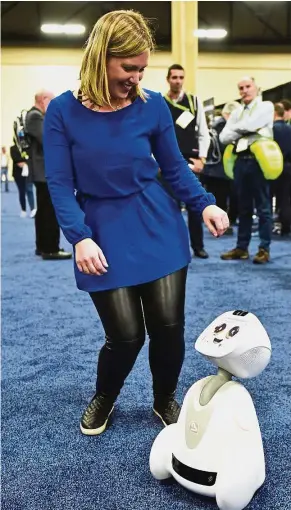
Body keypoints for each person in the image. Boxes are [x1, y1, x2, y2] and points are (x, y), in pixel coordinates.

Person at [43, 10, 229, 436]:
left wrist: (204, 204)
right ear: (101, 58)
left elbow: (175, 168)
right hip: (101, 232)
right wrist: (79, 238)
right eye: (129, 67)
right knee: (126, 337)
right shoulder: (62, 112)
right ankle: (105, 397)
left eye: (143, 68)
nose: (137, 77)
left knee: (167, 328)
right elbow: (58, 183)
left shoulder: (153, 105)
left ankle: (164, 397)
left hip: (157, 223)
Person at [220, 77, 273, 264]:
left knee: (263, 207)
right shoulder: (237, 112)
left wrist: (238, 128)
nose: (244, 90)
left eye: (248, 86)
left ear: (256, 87)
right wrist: (246, 128)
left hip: (259, 162)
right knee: (243, 207)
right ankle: (242, 248)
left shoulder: (266, 106)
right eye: (240, 88)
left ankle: (264, 249)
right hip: (240, 161)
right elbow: (224, 137)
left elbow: (246, 127)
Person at [163, 64, 211, 258]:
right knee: (169, 208)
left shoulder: (194, 102)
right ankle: (173, 247)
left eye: (181, 77)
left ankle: (198, 246)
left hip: (190, 161)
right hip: (166, 162)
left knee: (195, 206)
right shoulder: (159, 102)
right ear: (168, 79)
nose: (178, 81)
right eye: (174, 77)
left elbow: (203, 132)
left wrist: (202, 159)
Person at [25, 90, 72, 260]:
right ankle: (50, 248)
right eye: (51, 101)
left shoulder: (35, 116)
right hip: (43, 172)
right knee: (49, 211)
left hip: (41, 172)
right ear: (43, 100)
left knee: (44, 210)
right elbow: (48, 139)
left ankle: (43, 246)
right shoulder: (35, 116)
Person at [203, 101, 240, 235]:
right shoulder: (224, 128)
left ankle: (220, 224)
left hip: (213, 170)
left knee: (219, 199)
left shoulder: (214, 127)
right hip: (220, 171)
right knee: (221, 200)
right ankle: (220, 226)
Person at [272, 103, 291, 236]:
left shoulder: (269, 130)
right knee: (285, 199)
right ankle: (285, 227)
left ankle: (268, 228)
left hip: (271, 168)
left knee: (266, 200)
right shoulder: (289, 128)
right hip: (287, 167)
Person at [10, 142, 36, 217]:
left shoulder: (27, 147)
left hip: (28, 173)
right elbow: (16, 159)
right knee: (22, 191)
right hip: (18, 174)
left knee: (29, 190)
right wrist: (25, 163)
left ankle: (33, 209)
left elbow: (30, 157)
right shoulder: (13, 148)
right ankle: (23, 209)